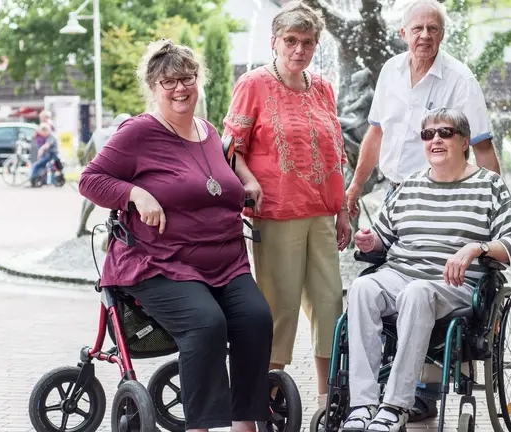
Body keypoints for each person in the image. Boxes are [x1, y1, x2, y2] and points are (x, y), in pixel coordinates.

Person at [78, 38, 273, 432]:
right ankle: (199, 427)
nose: (180, 88)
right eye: (169, 82)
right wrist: (134, 193)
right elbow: (90, 179)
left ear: (198, 81)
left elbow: (217, 177)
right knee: (206, 323)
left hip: (225, 262)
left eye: (187, 78)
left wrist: (246, 182)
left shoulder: (208, 131)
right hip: (160, 262)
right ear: (154, 87)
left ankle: (245, 423)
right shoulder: (138, 133)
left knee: (256, 318)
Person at [344, 0, 500, 420]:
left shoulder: (460, 80)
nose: (425, 36)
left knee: (426, 287)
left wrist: (491, 196)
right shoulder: (390, 72)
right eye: (417, 28)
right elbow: (375, 134)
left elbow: (482, 144)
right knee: (378, 284)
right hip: (400, 193)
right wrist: (356, 184)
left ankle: (420, 391)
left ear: (443, 34)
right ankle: (369, 396)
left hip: (449, 189)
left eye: (433, 28)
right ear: (404, 33)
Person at [342, 108, 511, 432]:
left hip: (453, 284)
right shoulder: (408, 186)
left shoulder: (488, 185)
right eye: (429, 135)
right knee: (362, 288)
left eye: (445, 133)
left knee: (417, 293)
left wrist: (478, 248)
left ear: (465, 141)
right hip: (401, 273)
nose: (436, 140)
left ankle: (395, 406)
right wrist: (369, 241)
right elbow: (382, 239)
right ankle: (362, 405)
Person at [222, 0, 350, 408]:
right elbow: (229, 147)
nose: (299, 49)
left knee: (330, 305)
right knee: (280, 308)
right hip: (277, 213)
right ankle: (268, 397)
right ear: (274, 41)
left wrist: (343, 209)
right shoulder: (253, 84)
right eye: (291, 40)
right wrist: (249, 180)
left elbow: (336, 153)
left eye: (308, 42)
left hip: (323, 214)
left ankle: (328, 399)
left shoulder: (324, 87)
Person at [76, 113, 132, 237]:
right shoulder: (128, 131)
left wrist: (89, 166)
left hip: (100, 168)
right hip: (120, 171)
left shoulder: (99, 133)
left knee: (90, 198)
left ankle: (81, 226)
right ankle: (118, 230)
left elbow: (87, 152)